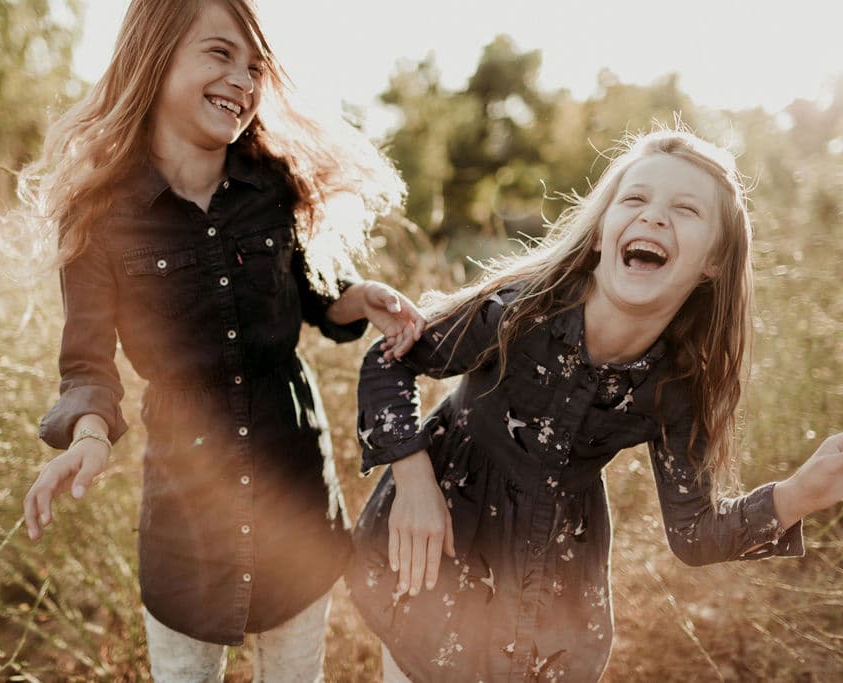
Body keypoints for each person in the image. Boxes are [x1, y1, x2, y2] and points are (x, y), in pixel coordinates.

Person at [344, 128, 843, 682]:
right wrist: (414, 483)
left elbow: (695, 534)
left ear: (715, 263)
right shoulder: (519, 312)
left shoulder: (678, 386)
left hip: (550, 593)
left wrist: (799, 495)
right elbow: (391, 359)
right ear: (604, 232)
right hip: (437, 547)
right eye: (635, 199)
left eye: (685, 209)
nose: (653, 217)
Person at [20, 1, 423, 680]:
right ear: (155, 56)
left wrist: (362, 297)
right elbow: (88, 364)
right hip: (187, 522)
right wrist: (88, 436)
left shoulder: (273, 186)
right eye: (219, 54)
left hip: (296, 497)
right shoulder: (98, 218)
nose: (242, 78)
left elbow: (317, 290)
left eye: (255, 66)